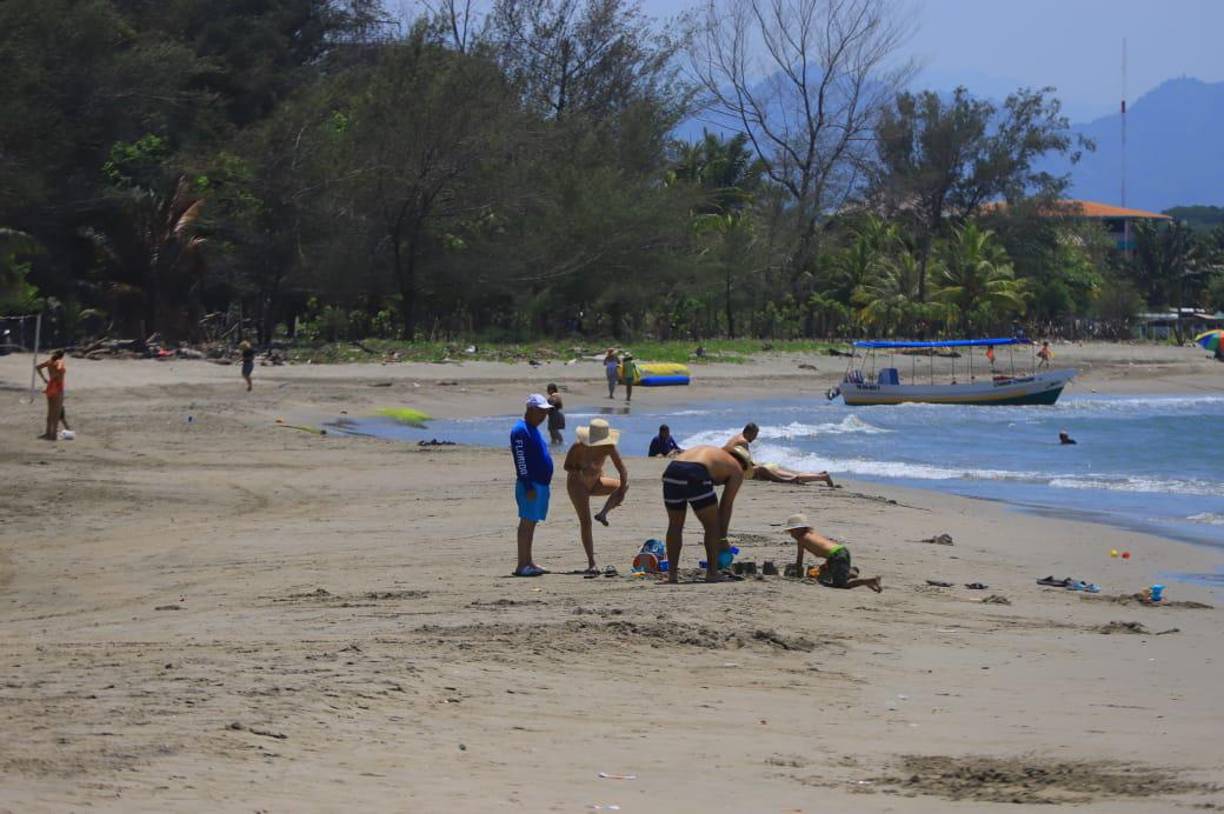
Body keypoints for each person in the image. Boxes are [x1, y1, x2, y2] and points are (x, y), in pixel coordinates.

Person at [661, 445, 749, 583]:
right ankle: (712, 573)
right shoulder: (737, 469)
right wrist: (722, 538)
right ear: (743, 464)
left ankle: (672, 575)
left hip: (672, 470)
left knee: (675, 525)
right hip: (696, 472)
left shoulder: (715, 454)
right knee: (712, 526)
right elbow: (726, 506)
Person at [564, 418, 628, 573]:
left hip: (596, 482)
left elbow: (622, 469)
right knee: (586, 522)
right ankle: (591, 563)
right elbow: (566, 466)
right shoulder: (578, 446)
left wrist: (621, 492)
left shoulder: (609, 447)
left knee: (623, 486)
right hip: (577, 485)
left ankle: (603, 513)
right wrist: (579, 470)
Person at [511, 394, 555, 577]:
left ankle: (529, 561)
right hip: (531, 485)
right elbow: (520, 460)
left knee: (532, 523)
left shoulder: (532, 428)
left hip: (540, 483)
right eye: (541, 411)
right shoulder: (520, 430)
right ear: (530, 409)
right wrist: (528, 485)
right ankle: (522, 565)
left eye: (545, 412)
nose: (544, 416)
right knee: (526, 523)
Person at [784, 513, 882, 592]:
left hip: (837, 555)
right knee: (827, 572)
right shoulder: (812, 534)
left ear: (799, 529)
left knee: (841, 585)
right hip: (839, 552)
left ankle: (869, 581)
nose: (791, 534)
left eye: (792, 531)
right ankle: (851, 572)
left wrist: (798, 574)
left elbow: (799, 559)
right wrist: (826, 564)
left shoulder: (801, 539)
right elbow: (825, 548)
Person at [35, 350, 67, 441]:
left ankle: (48, 433)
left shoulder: (49, 362)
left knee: (50, 412)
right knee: (56, 413)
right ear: (62, 357)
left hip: (50, 387)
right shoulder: (60, 362)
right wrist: (56, 375)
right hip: (58, 388)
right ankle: (53, 435)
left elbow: (37, 367)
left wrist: (44, 378)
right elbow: (59, 370)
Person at [752, 460, 834, 487]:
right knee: (795, 476)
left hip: (765, 470)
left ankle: (822, 477)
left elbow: (757, 468)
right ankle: (818, 475)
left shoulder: (745, 442)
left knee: (794, 478)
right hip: (768, 467)